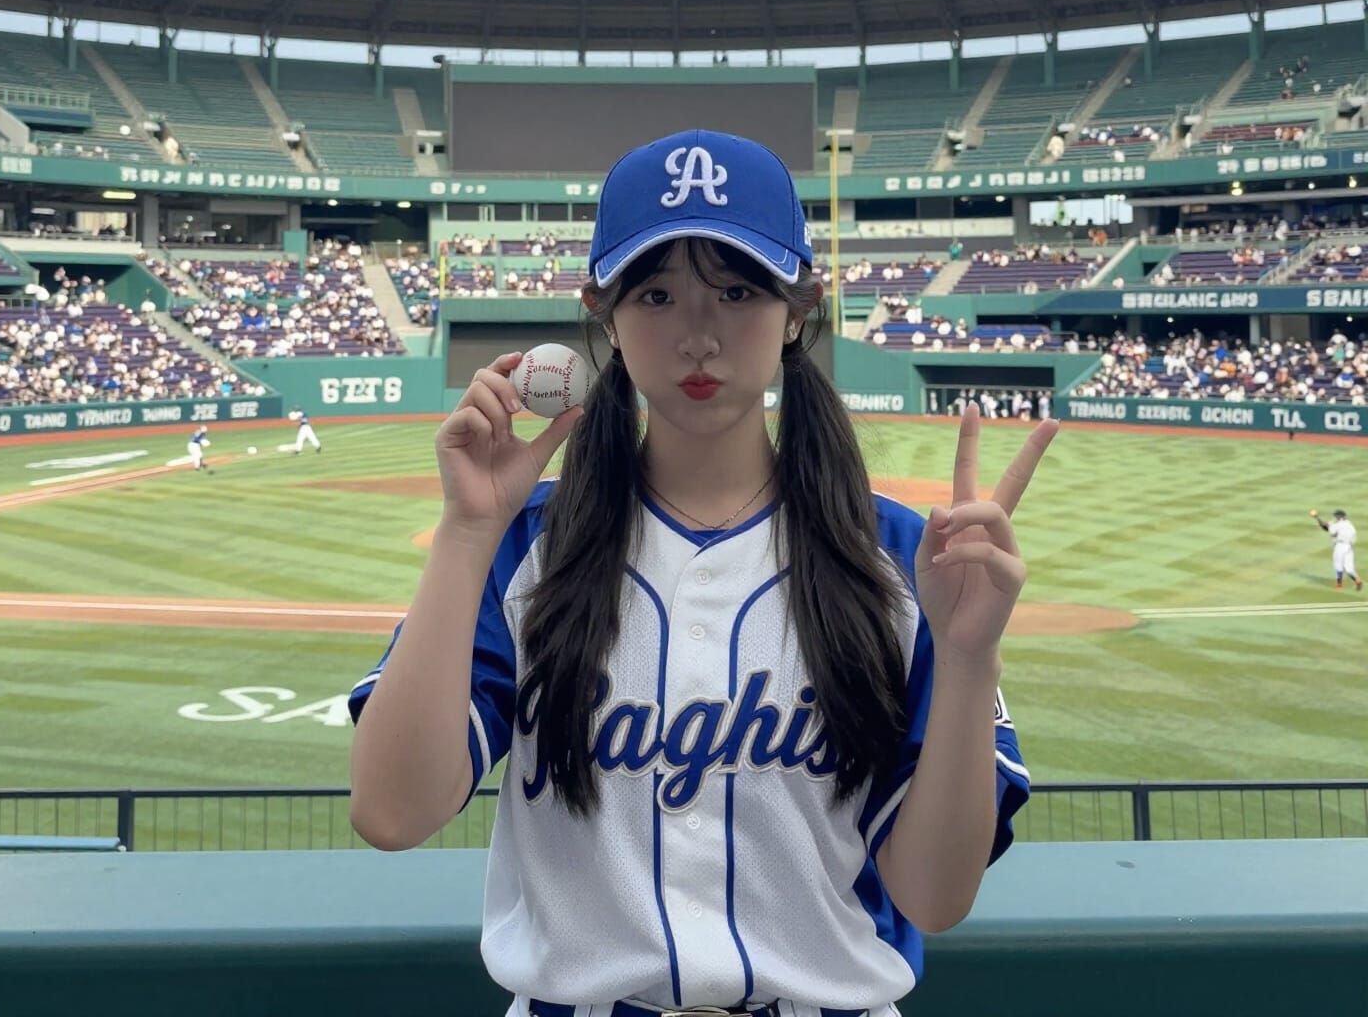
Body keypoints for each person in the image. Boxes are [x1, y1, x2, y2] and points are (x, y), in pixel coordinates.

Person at [348, 129, 1058, 1017]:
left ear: (800, 308)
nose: (697, 335)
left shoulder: (907, 560)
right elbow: (390, 813)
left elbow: (933, 898)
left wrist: (969, 660)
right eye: (656, 293)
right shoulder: (526, 545)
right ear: (602, 310)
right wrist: (466, 533)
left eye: (737, 289)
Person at [1312, 508, 1362, 591]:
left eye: (1336, 516)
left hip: (1340, 546)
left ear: (1339, 517)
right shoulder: (1349, 524)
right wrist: (1322, 523)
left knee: (1338, 565)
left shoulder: (1338, 524)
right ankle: (1357, 580)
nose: (1335, 518)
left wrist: (1317, 519)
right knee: (1349, 569)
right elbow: (1328, 526)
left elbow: (1329, 530)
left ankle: (1339, 584)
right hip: (1349, 547)